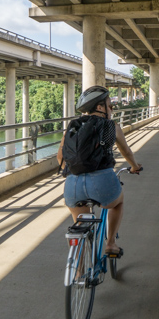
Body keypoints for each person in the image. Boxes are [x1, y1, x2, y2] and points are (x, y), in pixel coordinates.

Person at [57, 86, 142, 258]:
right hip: (102, 181)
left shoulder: (73, 127)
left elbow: (60, 157)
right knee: (118, 202)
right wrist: (135, 166)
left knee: (80, 223)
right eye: (110, 106)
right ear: (100, 107)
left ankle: (78, 271)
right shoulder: (112, 126)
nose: (111, 110)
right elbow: (126, 152)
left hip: (73, 184)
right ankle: (110, 243)